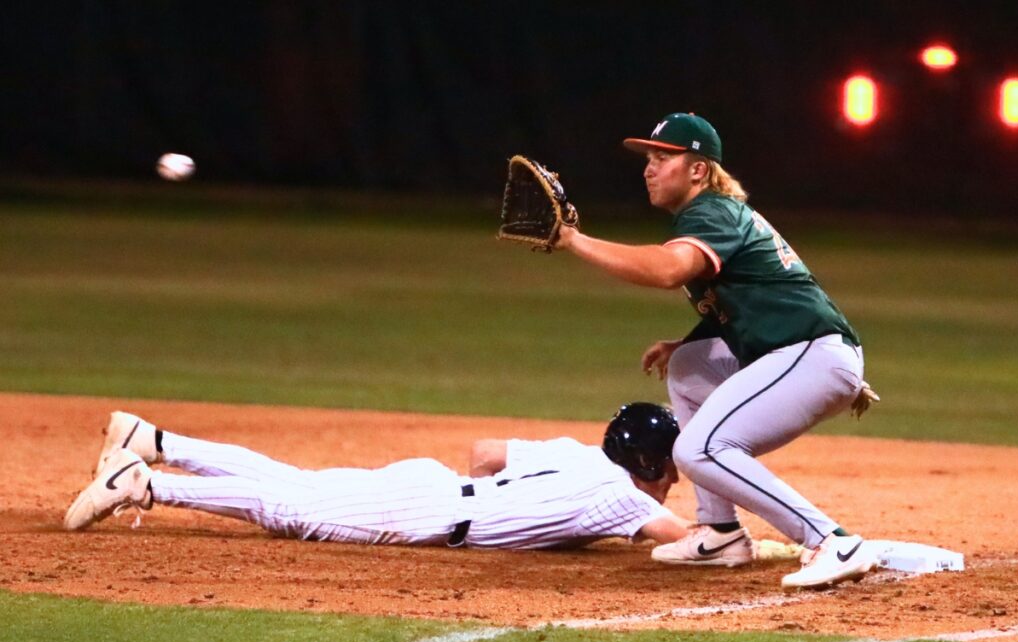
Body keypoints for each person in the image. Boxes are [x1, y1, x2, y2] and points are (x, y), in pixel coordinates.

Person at [553, 113, 879, 589]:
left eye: (663, 158)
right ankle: (720, 532)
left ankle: (832, 541)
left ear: (698, 170)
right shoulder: (716, 214)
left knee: (699, 449)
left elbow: (668, 269)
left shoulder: (712, 212)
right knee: (688, 365)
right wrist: (684, 342)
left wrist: (575, 241)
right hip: (804, 355)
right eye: (648, 158)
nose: (649, 168)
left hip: (808, 355)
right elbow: (756, 295)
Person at [64, 403, 707, 551]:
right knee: (291, 511)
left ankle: (152, 441)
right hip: (425, 514)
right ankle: (146, 484)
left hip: (429, 486)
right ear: (648, 464)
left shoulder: (576, 452)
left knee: (294, 483)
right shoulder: (623, 498)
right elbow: (689, 540)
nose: (673, 481)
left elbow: (485, 451)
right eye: (671, 469)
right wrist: (760, 545)